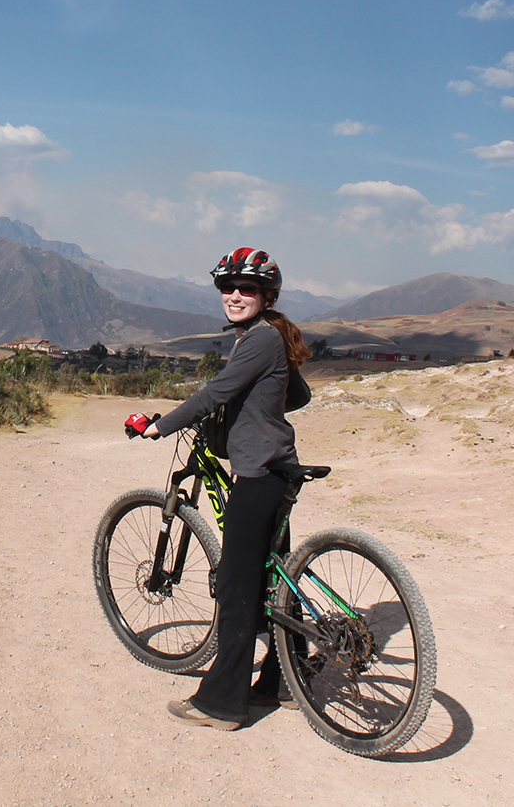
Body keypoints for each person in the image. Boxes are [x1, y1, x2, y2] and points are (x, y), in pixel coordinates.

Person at [127, 246, 312, 731]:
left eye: (246, 288)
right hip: (279, 469)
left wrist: (160, 426)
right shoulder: (269, 335)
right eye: (227, 287)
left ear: (266, 295)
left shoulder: (259, 339)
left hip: (259, 473)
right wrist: (260, 407)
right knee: (275, 581)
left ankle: (222, 703)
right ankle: (284, 681)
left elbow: (215, 392)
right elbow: (299, 394)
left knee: (235, 587)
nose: (234, 294)